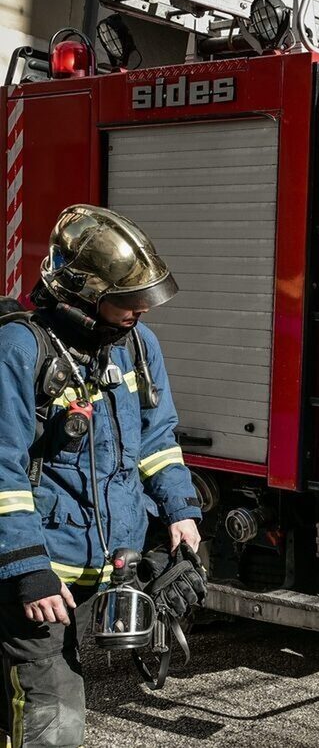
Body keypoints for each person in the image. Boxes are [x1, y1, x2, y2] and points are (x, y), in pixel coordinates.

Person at [0, 204, 202, 747]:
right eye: (126, 299)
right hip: (38, 572)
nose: (140, 310)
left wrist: (180, 512)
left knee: (21, 695)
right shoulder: (19, 349)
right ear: (82, 293)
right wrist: (28, 571)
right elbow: (2, 470)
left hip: (103, 566)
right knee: (53, 711)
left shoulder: (137, 346)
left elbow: (157, 440)